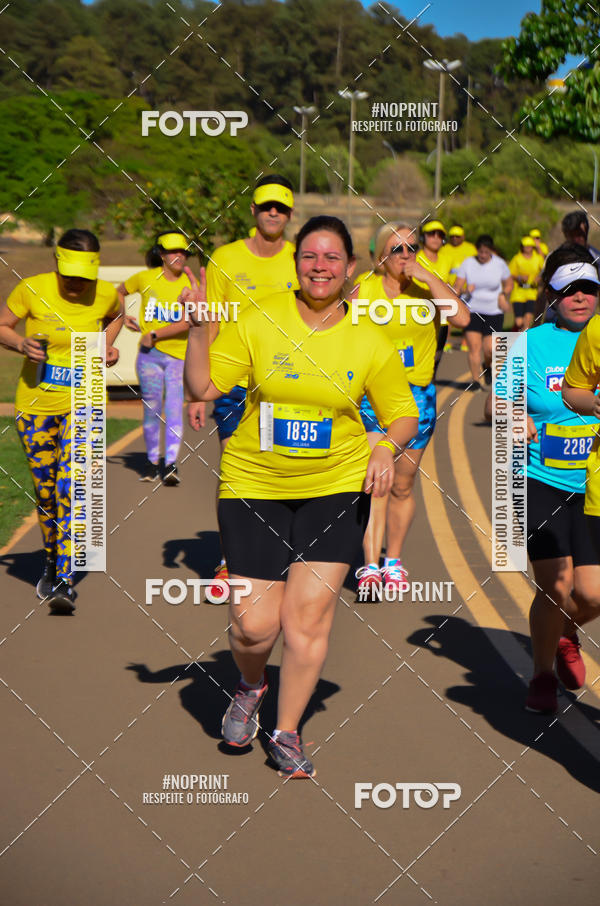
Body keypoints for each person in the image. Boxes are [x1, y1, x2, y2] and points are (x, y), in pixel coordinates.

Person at [183, 215, 418, 777]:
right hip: (253, 486)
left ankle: (287, 731)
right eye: (310, 256)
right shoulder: (258, 319)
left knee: (307, 619)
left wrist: (385, 446)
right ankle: (250, 681)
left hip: (334, 487)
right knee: (253, 625)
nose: (320, 266)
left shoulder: (368, 339)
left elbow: (403, 412)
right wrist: (197, 325)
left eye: (332, 257)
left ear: (350, 269)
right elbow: (203, 388)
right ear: (296, 264)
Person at [494, 246, 600, 713]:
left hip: (594, 480)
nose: (581, 297)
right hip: (541, 479)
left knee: (593, 593)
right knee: (555, 586)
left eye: (590, 288)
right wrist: (515, 415)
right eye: (569, 289)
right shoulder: (529, 343)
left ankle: (564, 631)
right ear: (551, 295)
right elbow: (493, 404)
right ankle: (540, 674)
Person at [188, 174, 298, 601]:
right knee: (234, 472)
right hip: (235, 384)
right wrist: (200, 392)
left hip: (289, 384)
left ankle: (277, 554)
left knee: (283, 469)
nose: (273, 213)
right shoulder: (224, 259)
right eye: (266, 205)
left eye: (281, 207)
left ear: (289, 215)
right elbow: (210, 325)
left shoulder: (300, 260)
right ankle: (231, 559)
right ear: (252, 210)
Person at [0, 230, 122, 613]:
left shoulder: (105, 293)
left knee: (73, 487)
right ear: (57, 263)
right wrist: (21, 344)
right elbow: (1, 326)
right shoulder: (31, 289)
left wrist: (106, 342)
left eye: (84, 276)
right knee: (47, 490)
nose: (77, 284)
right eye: (70, 274)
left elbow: (117, 315)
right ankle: (51, 562)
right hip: (35, 405)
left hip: (84, 402)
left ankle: (65, 582)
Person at [352, 222, 468, 598]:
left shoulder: (428, 285)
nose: (404, 256)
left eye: (411, 248)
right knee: (378, 483)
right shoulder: (364, 291)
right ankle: (369, 567)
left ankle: (393, 562)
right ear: (380, 255)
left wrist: (428, 279)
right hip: (372, 398)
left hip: (417, 397)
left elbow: (462, 319)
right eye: (395, 249)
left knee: (403, 485)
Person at [118, 232, 193, 486]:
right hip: (149, 357)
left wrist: (154, 333)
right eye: (173, 251)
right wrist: (121, 316)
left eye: (183, 252)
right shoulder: (145, 278)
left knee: (173, 410)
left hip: (177, 357)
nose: (179, 256)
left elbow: (188, 322)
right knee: (151, 411)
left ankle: (170, 464)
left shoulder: (190, 285)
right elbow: (117, 293)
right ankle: (151, 463)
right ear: (161, 254)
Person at [454, 235, 513, 390]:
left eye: (486, 252)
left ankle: (487, 367)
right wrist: (465, 290)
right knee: (474, 347)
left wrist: (503, 295)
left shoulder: (500, 264)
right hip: (472, 310)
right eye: (480, 252)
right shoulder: (468, 263)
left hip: (494, 312)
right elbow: (457, 287)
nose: (483, 255)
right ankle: (475, 381)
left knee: (491, 349)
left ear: (491, 251)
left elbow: (509, 284)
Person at [508, 237, 543, 331]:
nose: (527, 248)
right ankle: (513, 333)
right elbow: (510, 274)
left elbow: (544, 271)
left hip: (531, 292)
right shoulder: (517, 258)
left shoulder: (538, 258)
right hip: (518, 292)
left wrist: (539, 278)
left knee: (527, 321)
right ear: (522, 247)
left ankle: (521, 342)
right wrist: (519, 277)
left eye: (529, 246)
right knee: (519, 322)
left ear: (532, 247)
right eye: (525, 246)